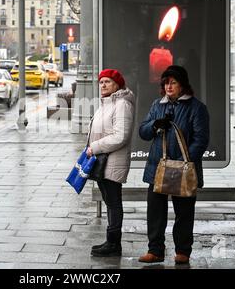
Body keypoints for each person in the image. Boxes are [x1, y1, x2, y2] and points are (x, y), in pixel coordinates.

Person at [138, 65, 209, 264]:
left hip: (182, 169)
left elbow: (201, 140)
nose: (169, 86)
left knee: (184, 212)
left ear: (183, 85)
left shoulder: (196, 108)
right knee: (155, 211)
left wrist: (183, 162)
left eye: (173, 82)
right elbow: (142, 132)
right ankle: (155, 250)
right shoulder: (157, 105)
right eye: (166, 82)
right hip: (158, 168)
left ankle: (183, 251)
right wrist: (154, 125)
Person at [87, 69, 135, 257]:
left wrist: (95, 147)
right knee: (109, 201)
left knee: (114, 202)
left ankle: (114, 244)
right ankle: (111, 242)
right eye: (101, 82)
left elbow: (121, 136)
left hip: (112, 161)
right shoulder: (105, 103)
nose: (104, 85)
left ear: (118, 85)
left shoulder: (122, 104)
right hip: (102, 161)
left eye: (108, 82)